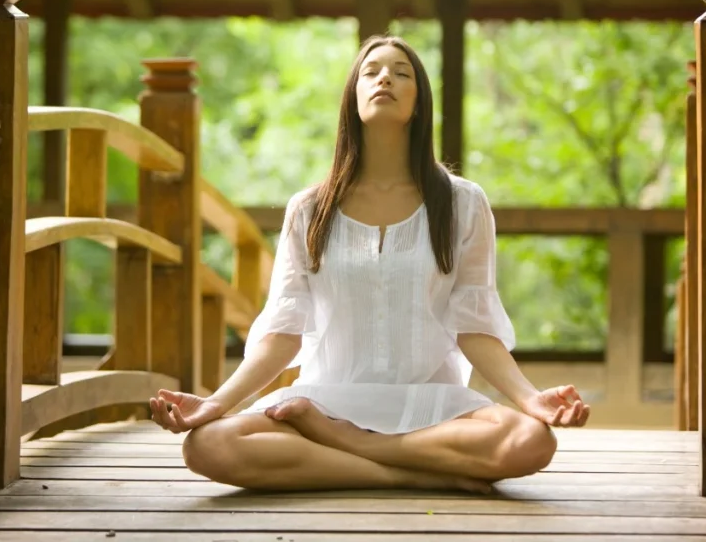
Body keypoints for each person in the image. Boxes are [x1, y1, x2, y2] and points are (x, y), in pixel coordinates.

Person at [149, 35, 591, 493]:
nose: (385, 78)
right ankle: (408, 473)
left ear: (418, 103)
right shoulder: (309, 209)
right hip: (325, 400)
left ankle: (345, 447)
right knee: (207, 445)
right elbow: (283, 334)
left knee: (531, 441)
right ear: (353, 98)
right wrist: (216, 404)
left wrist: (529, 398)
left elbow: (474, 327)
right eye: (372, 71)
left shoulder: (463, 203)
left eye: (402, 73)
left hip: (428, 406)